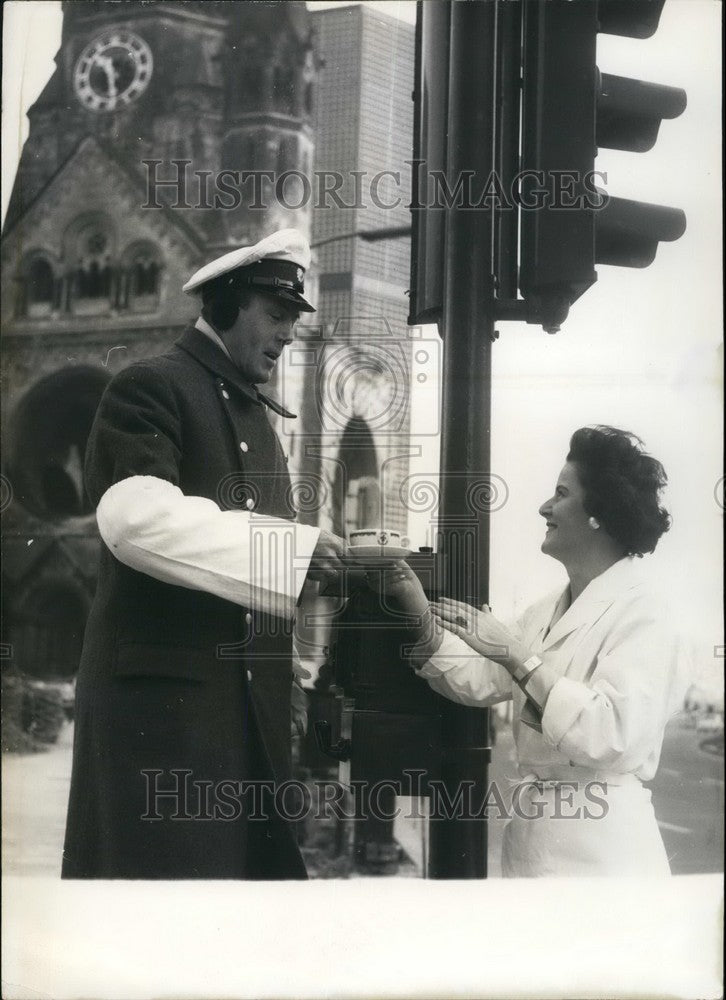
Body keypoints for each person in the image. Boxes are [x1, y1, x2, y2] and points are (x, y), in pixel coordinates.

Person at [62, 229, 348, 879]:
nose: (287, 335)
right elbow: (133, 521)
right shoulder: (151, 385)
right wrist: (292, 553)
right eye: (276, 315)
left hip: (244, 726)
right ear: (225, 305)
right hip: (164, 724)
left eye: (293, 320)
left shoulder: (261, 421)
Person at [372, 426, 690, 876]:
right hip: (533, 843)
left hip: (603, 858)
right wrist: (415, 605)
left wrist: (516, 655)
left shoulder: (647, 611)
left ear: (598, 513)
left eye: (561, 493)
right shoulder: (545, 610)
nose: (544, 507)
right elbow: (476, 678)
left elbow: (612, 733)